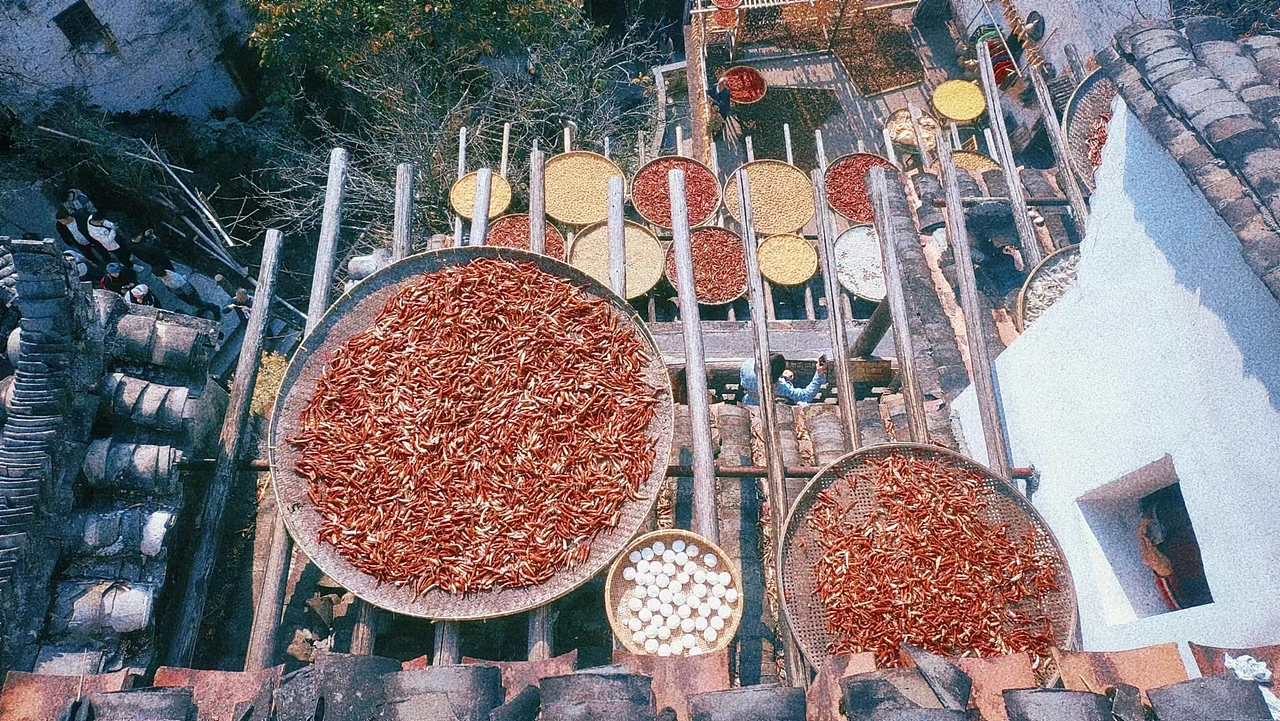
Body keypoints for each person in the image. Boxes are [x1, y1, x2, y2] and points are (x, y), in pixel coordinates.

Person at [739, 353, 826, 406]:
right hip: (762, 407)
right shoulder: (779, 388)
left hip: (747, 402)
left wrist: (781, 375)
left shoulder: (747, 366)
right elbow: (806, 396)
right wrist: (819, 372)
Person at [152, 267, 220, 319]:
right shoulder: (165, 275)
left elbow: (187, 288)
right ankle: (200, 307)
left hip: (187, 293)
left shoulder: (175, 280)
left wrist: (190, 296)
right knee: (195, 303)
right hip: (181, 292)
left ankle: (215, 308)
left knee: (199, 302)